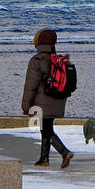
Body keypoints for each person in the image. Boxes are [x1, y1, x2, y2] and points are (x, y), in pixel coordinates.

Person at [21, 28, 73, 168]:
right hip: (58, 99)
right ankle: (44, 159)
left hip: (42, 101)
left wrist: (26, 106)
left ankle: (64, 152)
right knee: (46, 128)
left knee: (46, 130)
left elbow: (31, 86)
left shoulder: (36, 60)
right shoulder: (59, 60)